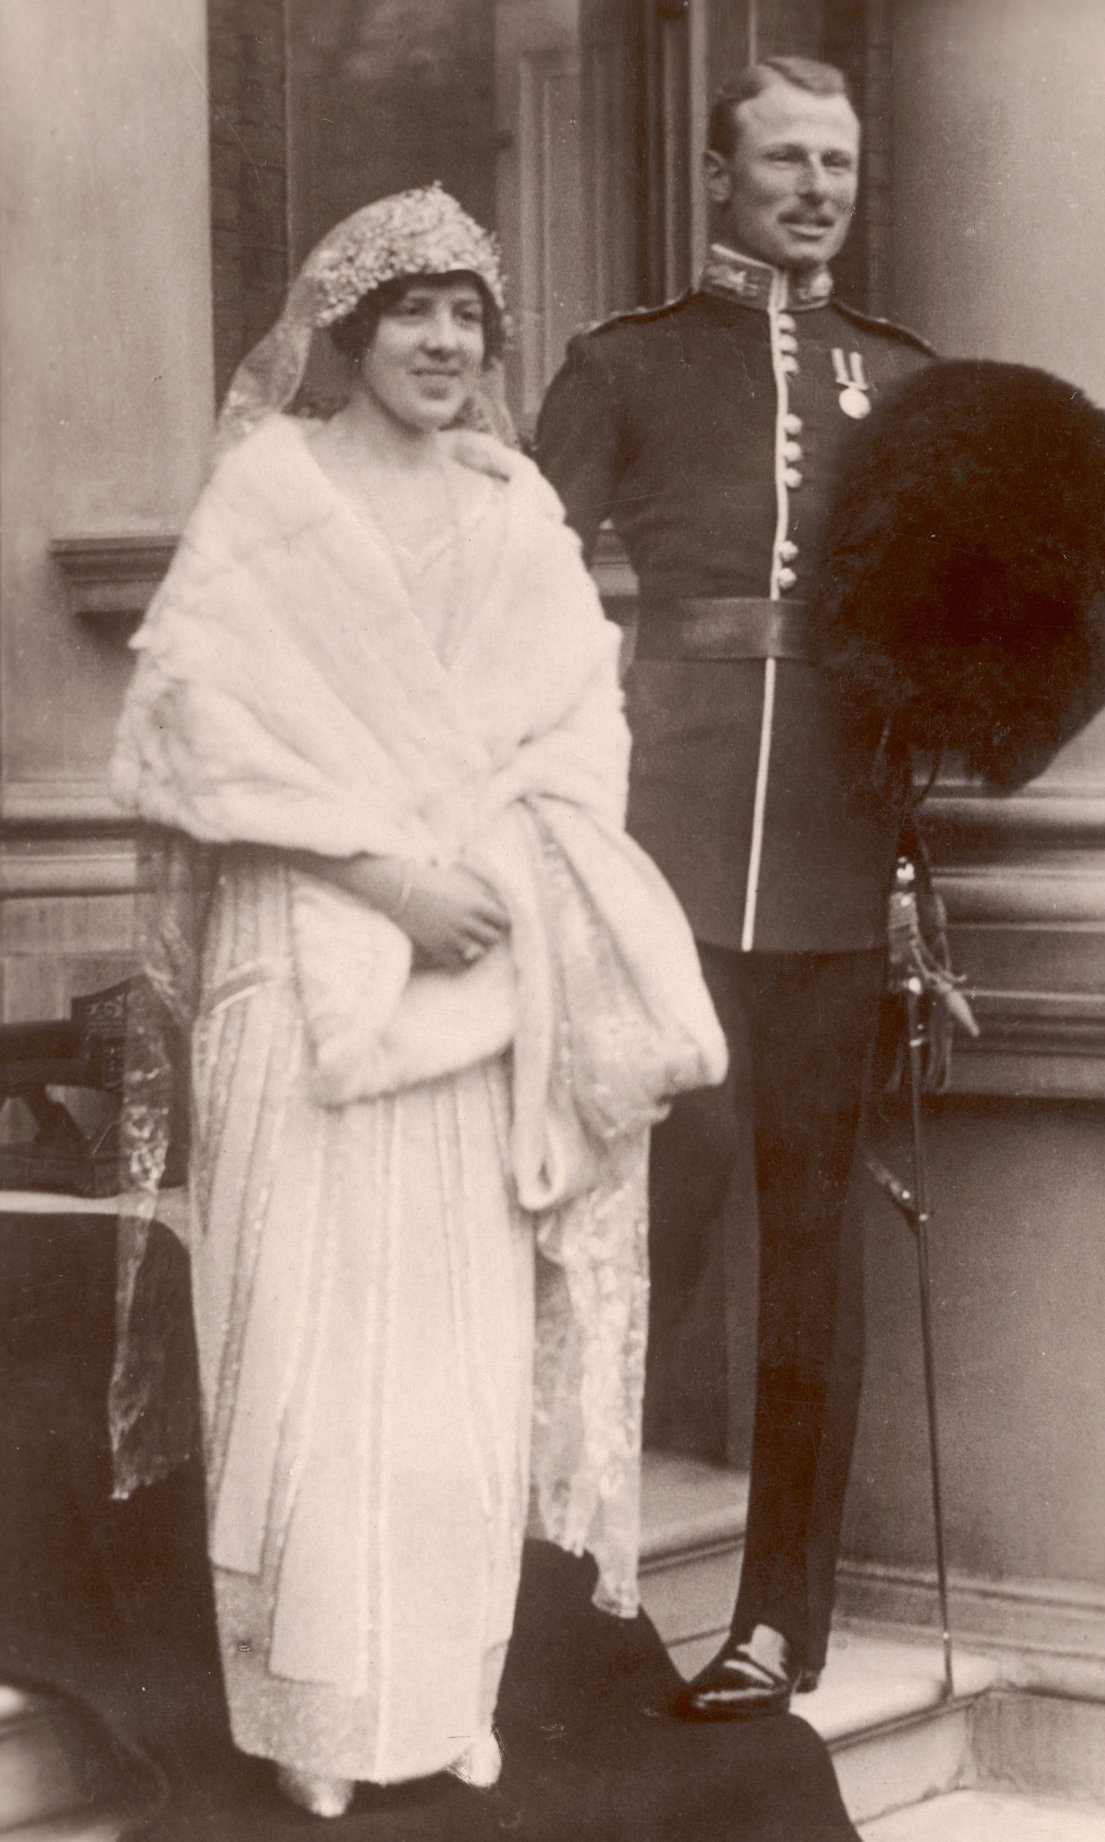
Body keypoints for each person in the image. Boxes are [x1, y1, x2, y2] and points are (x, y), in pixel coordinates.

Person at [109, 186, 725, 1816]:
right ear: (349, 330)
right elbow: (188, 734)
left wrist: (488, 877)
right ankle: (315, 1708)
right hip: (296, 960)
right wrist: (384, 877)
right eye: (413, 315)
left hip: (473, 981)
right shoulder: (268, 496)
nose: (447, 344)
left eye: (469, 317)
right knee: (306, 1344)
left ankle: (442, 1689)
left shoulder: (517, 509)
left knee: (449, 1357)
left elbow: (582, 736)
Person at [535, 58, 935, 1718]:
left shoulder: (905, 381)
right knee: (650, 1223)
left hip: (843, 863)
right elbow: (519, 587)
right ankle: (565, 1586)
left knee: (816, 1247)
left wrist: (912, 862)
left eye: (838, 161)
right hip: (664, 858)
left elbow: (933, 633)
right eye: (784, 158)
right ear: (719, 178)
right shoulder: (626, 361)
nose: (817, 186)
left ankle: (782, 1621)